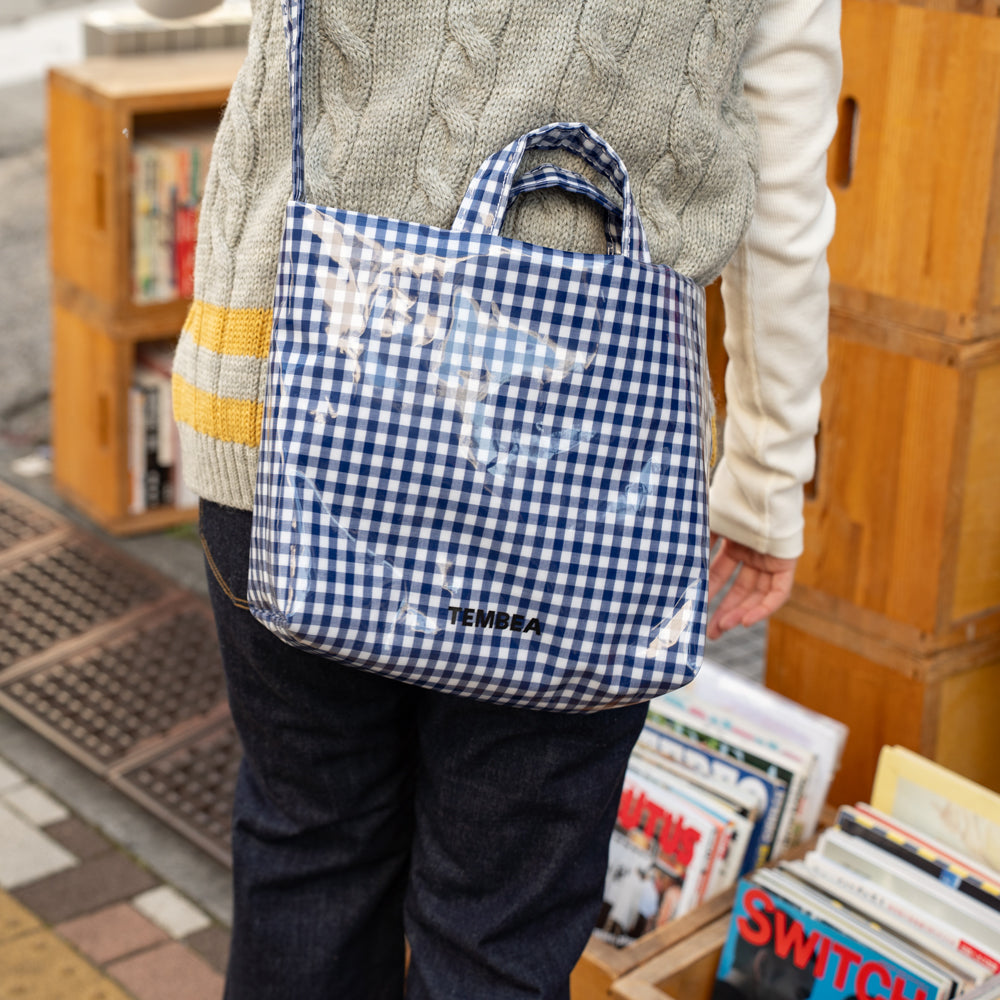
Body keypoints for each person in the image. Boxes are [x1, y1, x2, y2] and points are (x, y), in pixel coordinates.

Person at [168, 0, 841, 995]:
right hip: (591, 478)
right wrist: (761, 484)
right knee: (501, 921)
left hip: (288, 415)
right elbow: (782, 196)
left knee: (311, 844)